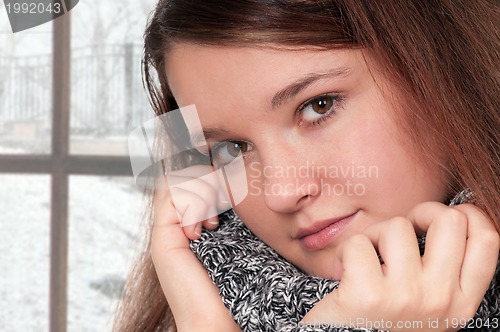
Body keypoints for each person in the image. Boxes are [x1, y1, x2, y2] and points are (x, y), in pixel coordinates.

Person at [114, 1, 500, 331]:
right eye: (232, 148)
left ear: (441, 71)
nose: (281, 193)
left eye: (319, 106)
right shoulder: (209, 302)